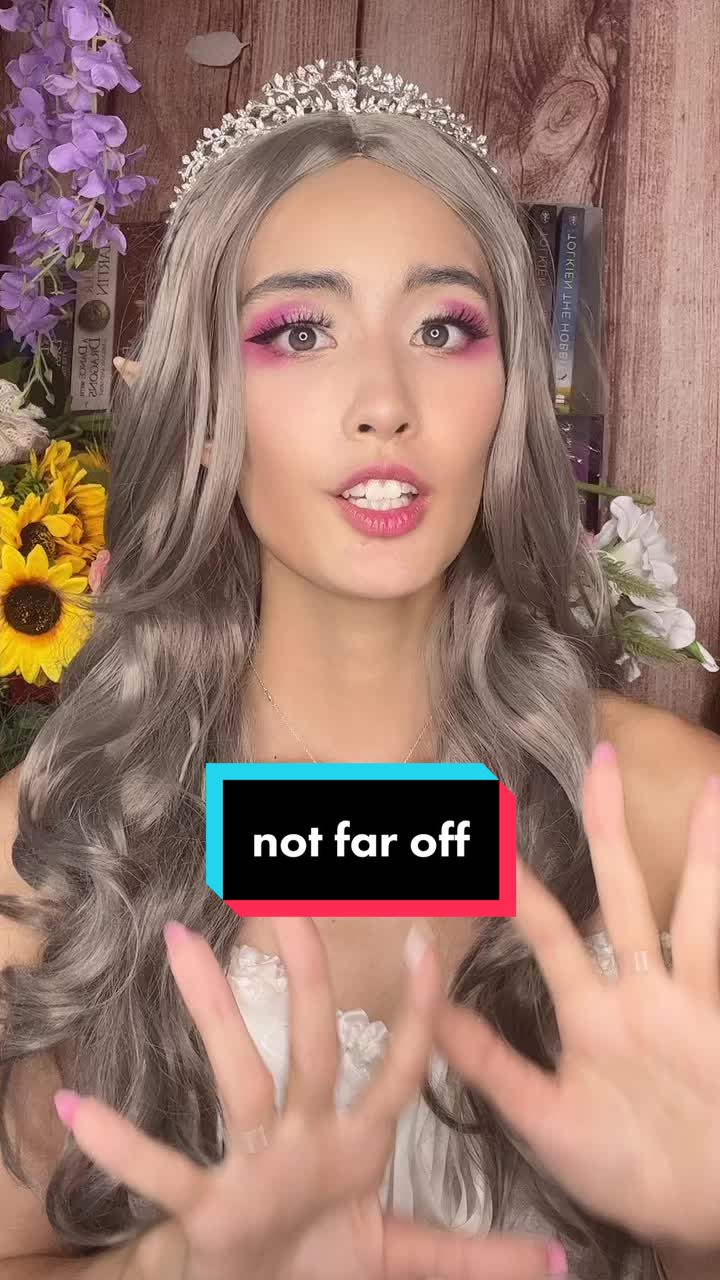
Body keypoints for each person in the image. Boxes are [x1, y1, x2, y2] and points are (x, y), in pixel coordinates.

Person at [1, 54, 720, 1280]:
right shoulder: (56, 841)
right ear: (205, 405)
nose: (385, 400)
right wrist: (170, 1268)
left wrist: (707, 1228)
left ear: (510, 393)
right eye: (301, 330)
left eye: (444, 328)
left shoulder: (677, 815)